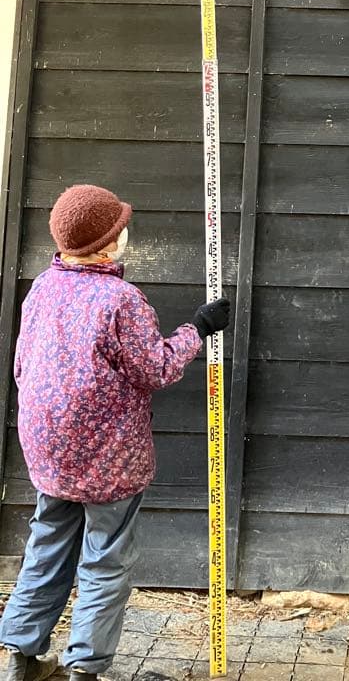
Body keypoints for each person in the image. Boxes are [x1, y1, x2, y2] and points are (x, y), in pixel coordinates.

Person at [0, 185, 229, 681]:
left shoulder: (42, 287)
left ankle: (19, 658)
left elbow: (21, 365)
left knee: (46, 544)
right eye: (120, 228)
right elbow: (156, 369)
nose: (126, 233)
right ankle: (84, 668)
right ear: (106, 244)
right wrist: (198, 329)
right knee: (105, 558)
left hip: (47, 446)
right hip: (109, 456)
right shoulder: (121, 300)